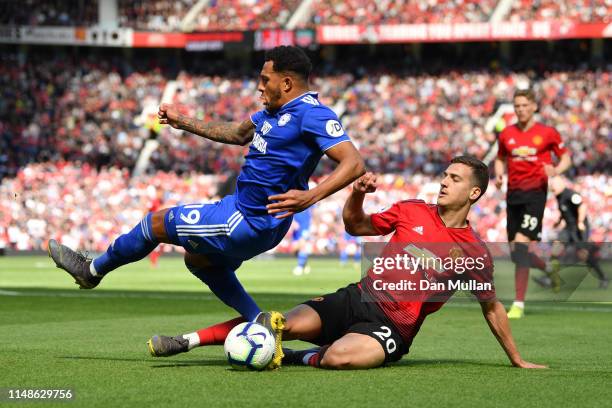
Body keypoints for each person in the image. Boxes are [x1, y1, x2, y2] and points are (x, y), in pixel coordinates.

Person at [48, 46, 365, 368]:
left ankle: (91, 271)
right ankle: (262, 327)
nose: (258, 86)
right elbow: (238, 133)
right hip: (247, 213)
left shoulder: (312, 114)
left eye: (264, 79)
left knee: (155, 224)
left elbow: (353, 163)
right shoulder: (270, 113)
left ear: (285, 83)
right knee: (199, 260)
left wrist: (311, 197)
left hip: (247, 220)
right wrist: (183, 122)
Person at [148, 156, 546, 370]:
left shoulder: (474, 253)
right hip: (356, 298)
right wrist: (356, 194)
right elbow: (356, 226)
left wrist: (516, 358)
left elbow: (491, 306)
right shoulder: (411, 210)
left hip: (391, 328)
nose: (444, 181)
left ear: (474, 193)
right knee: (275, 322)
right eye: (445, 175)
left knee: (340, 357)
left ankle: (290, 356)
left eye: (455, 179)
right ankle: (188, 341)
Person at [494, 88, 572, 319]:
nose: (521, 109)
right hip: (513, 196)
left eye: (525, 105)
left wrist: (556, 170)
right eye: (517, 106)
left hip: (535, 195)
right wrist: (499, 174)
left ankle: (518, 304)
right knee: (516, 253)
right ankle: (549, 269)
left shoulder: (548, 133)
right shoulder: (506, 133)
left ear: (534, 106)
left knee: (520, 246)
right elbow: (500, 158)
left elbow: (566, 157)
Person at [533, 177, 608, 290]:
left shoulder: (570, 194)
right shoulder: (559, 196)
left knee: (584, 255)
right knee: (555, 250)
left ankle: (603, 277)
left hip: (579, 229)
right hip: (568, 229)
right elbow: (565, 211)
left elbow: (582, 206)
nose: (551, 188)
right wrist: (558, 222)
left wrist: (581, 222)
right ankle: (549, 278)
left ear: (560, 184)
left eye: (553, 185)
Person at [291, 206, 313, 276]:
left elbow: (312, 214)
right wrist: (293, 222)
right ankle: (305, 265)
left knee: (302, 246)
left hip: (304, 228)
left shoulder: (309, 204)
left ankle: (300, 267)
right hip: (296, 230)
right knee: (294, 249)